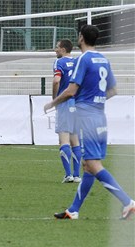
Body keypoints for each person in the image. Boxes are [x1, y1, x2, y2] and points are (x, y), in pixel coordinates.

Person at [44, 25, 135, 220]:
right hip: (99, 115)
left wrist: (52, 103)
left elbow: (70, 91)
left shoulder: (83, 59)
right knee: (88, 165)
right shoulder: (103, 59)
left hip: (87, 117)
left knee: (93, 165)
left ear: (81, 38)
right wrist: (96, 100)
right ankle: (74, 210)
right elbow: (113, 90)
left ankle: (128, 202)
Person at [52, 39, 81, 183]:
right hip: (77, 104)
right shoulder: (77, 62)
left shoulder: (59, 62)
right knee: (75, 140)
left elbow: (56, 81)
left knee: (63, 140)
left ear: (63, 49)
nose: (55, 50)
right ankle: (76, 175)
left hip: (64, 103)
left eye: (57, 47)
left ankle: (68, 174)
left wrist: (54, 100)